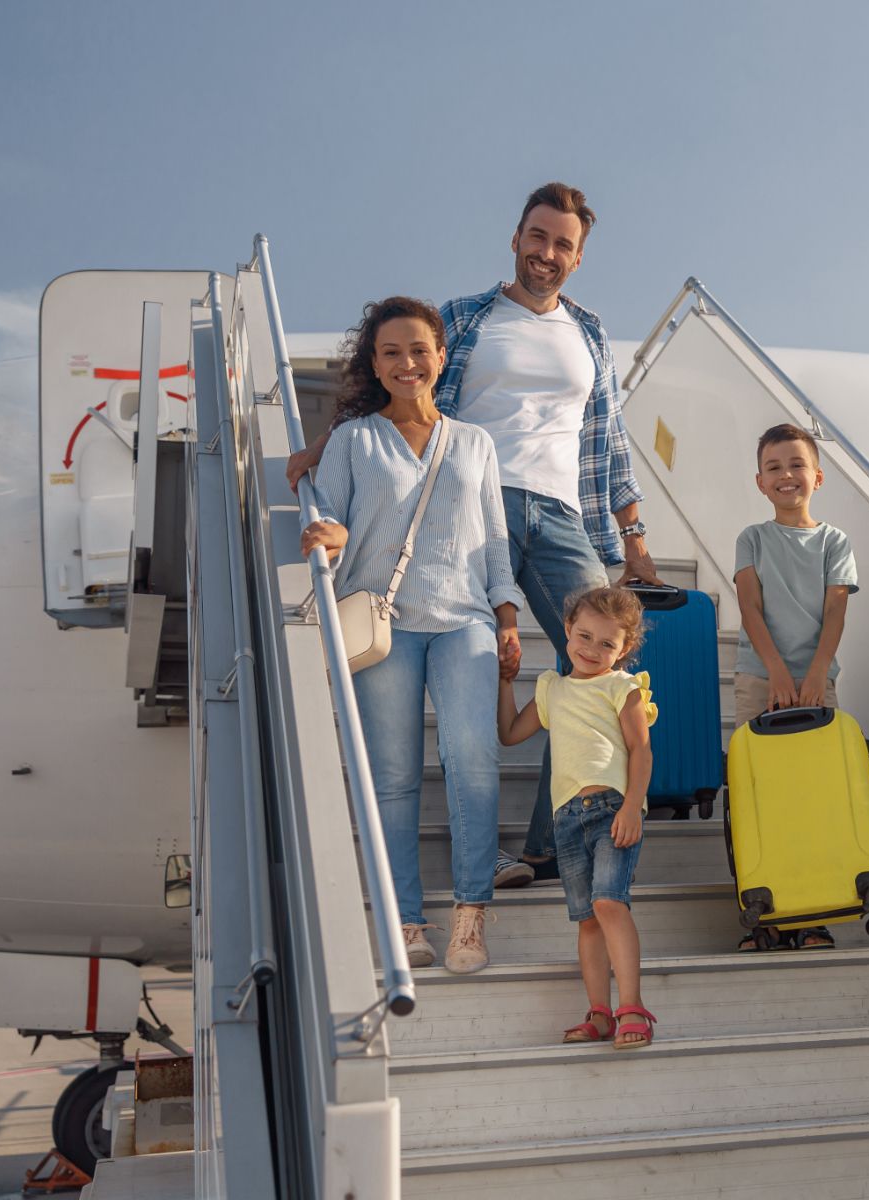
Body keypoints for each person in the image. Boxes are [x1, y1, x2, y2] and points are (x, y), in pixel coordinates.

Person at [288, 182, 661, 888]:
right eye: (537, 236)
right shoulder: (464, 317)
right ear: (516, 238)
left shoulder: (590, 335)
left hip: (559, 514)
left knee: (604, 674)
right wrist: (326, 444)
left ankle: (551, 843)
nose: (546, 253)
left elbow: (609, 439)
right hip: (465, 511)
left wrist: (632, 537)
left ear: (577, 259)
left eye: (562, 244)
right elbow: (402, 387)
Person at [300, 296, 522, 974]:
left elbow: (493, 541)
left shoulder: (475, 443)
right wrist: (329, 536)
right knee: (394, 780)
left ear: (440, 356)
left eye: (419, 350)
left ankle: (470, 919)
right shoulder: (353, 440)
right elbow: (332, 519)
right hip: (382, 625)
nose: (407, 363)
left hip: (465, 624)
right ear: (375, 362)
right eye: (391, 352)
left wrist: (507, 616)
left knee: (474, 764)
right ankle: (406, 922)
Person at [496, 586, 658, 1048]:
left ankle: (633, 1007)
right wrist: (505, 680)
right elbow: (509, 733)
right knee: (587, 918)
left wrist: (632, 806)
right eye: (584, 636)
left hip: (612, 810)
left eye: (607, 644)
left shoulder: (622, 687)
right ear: (567, 630)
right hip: (566, 819)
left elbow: (640, 749)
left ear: (623, 649)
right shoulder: (553, 689)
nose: (592, 649)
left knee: (610, 903)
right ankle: (600, 1013)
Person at [733, 422, 859, 951]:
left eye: (796, 465)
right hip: (759, 680)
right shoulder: (752, 539)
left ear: (818, 476)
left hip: (816, 687)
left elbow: (835, 612)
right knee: (758, 800)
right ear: (760, 482)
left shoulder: (835, 541)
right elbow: (749, 607)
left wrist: (814, 674)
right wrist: (777, 672)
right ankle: (763, 916)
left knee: (812, 798)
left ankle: (812, 913)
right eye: (774, 468)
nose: (787, 475)